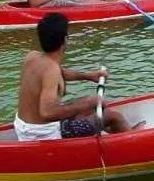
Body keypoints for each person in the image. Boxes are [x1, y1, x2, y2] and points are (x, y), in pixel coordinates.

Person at [14, 13, 144, 141]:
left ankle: (117, 132)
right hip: (44, 134)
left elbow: (61, 73)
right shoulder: (51, 70)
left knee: (92, 105)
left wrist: (88, 76)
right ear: (65, 39)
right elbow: (47, 113)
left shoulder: (32, 57)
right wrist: (86, 103)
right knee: (114, 116)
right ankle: (133, 139)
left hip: (24, 128)